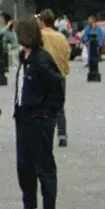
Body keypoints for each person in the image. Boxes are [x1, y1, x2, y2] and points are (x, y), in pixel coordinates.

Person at [10, 18, 65, 209]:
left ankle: (49, 208)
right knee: (24, 164)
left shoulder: (42, 59)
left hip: (39, 120)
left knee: (43, 163)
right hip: (23, 117)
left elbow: (57, 86)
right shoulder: (25, 57)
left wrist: (48, 113)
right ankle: (28, 205)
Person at [37, 9, 71, 148]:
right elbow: (67, 53)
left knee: (41, 105)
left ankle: (43, 135)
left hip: (42, 75)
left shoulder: (39, 36)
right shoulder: (61, 37)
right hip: (59, 74)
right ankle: (62, 135)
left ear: (42, 21)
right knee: (59, 107)